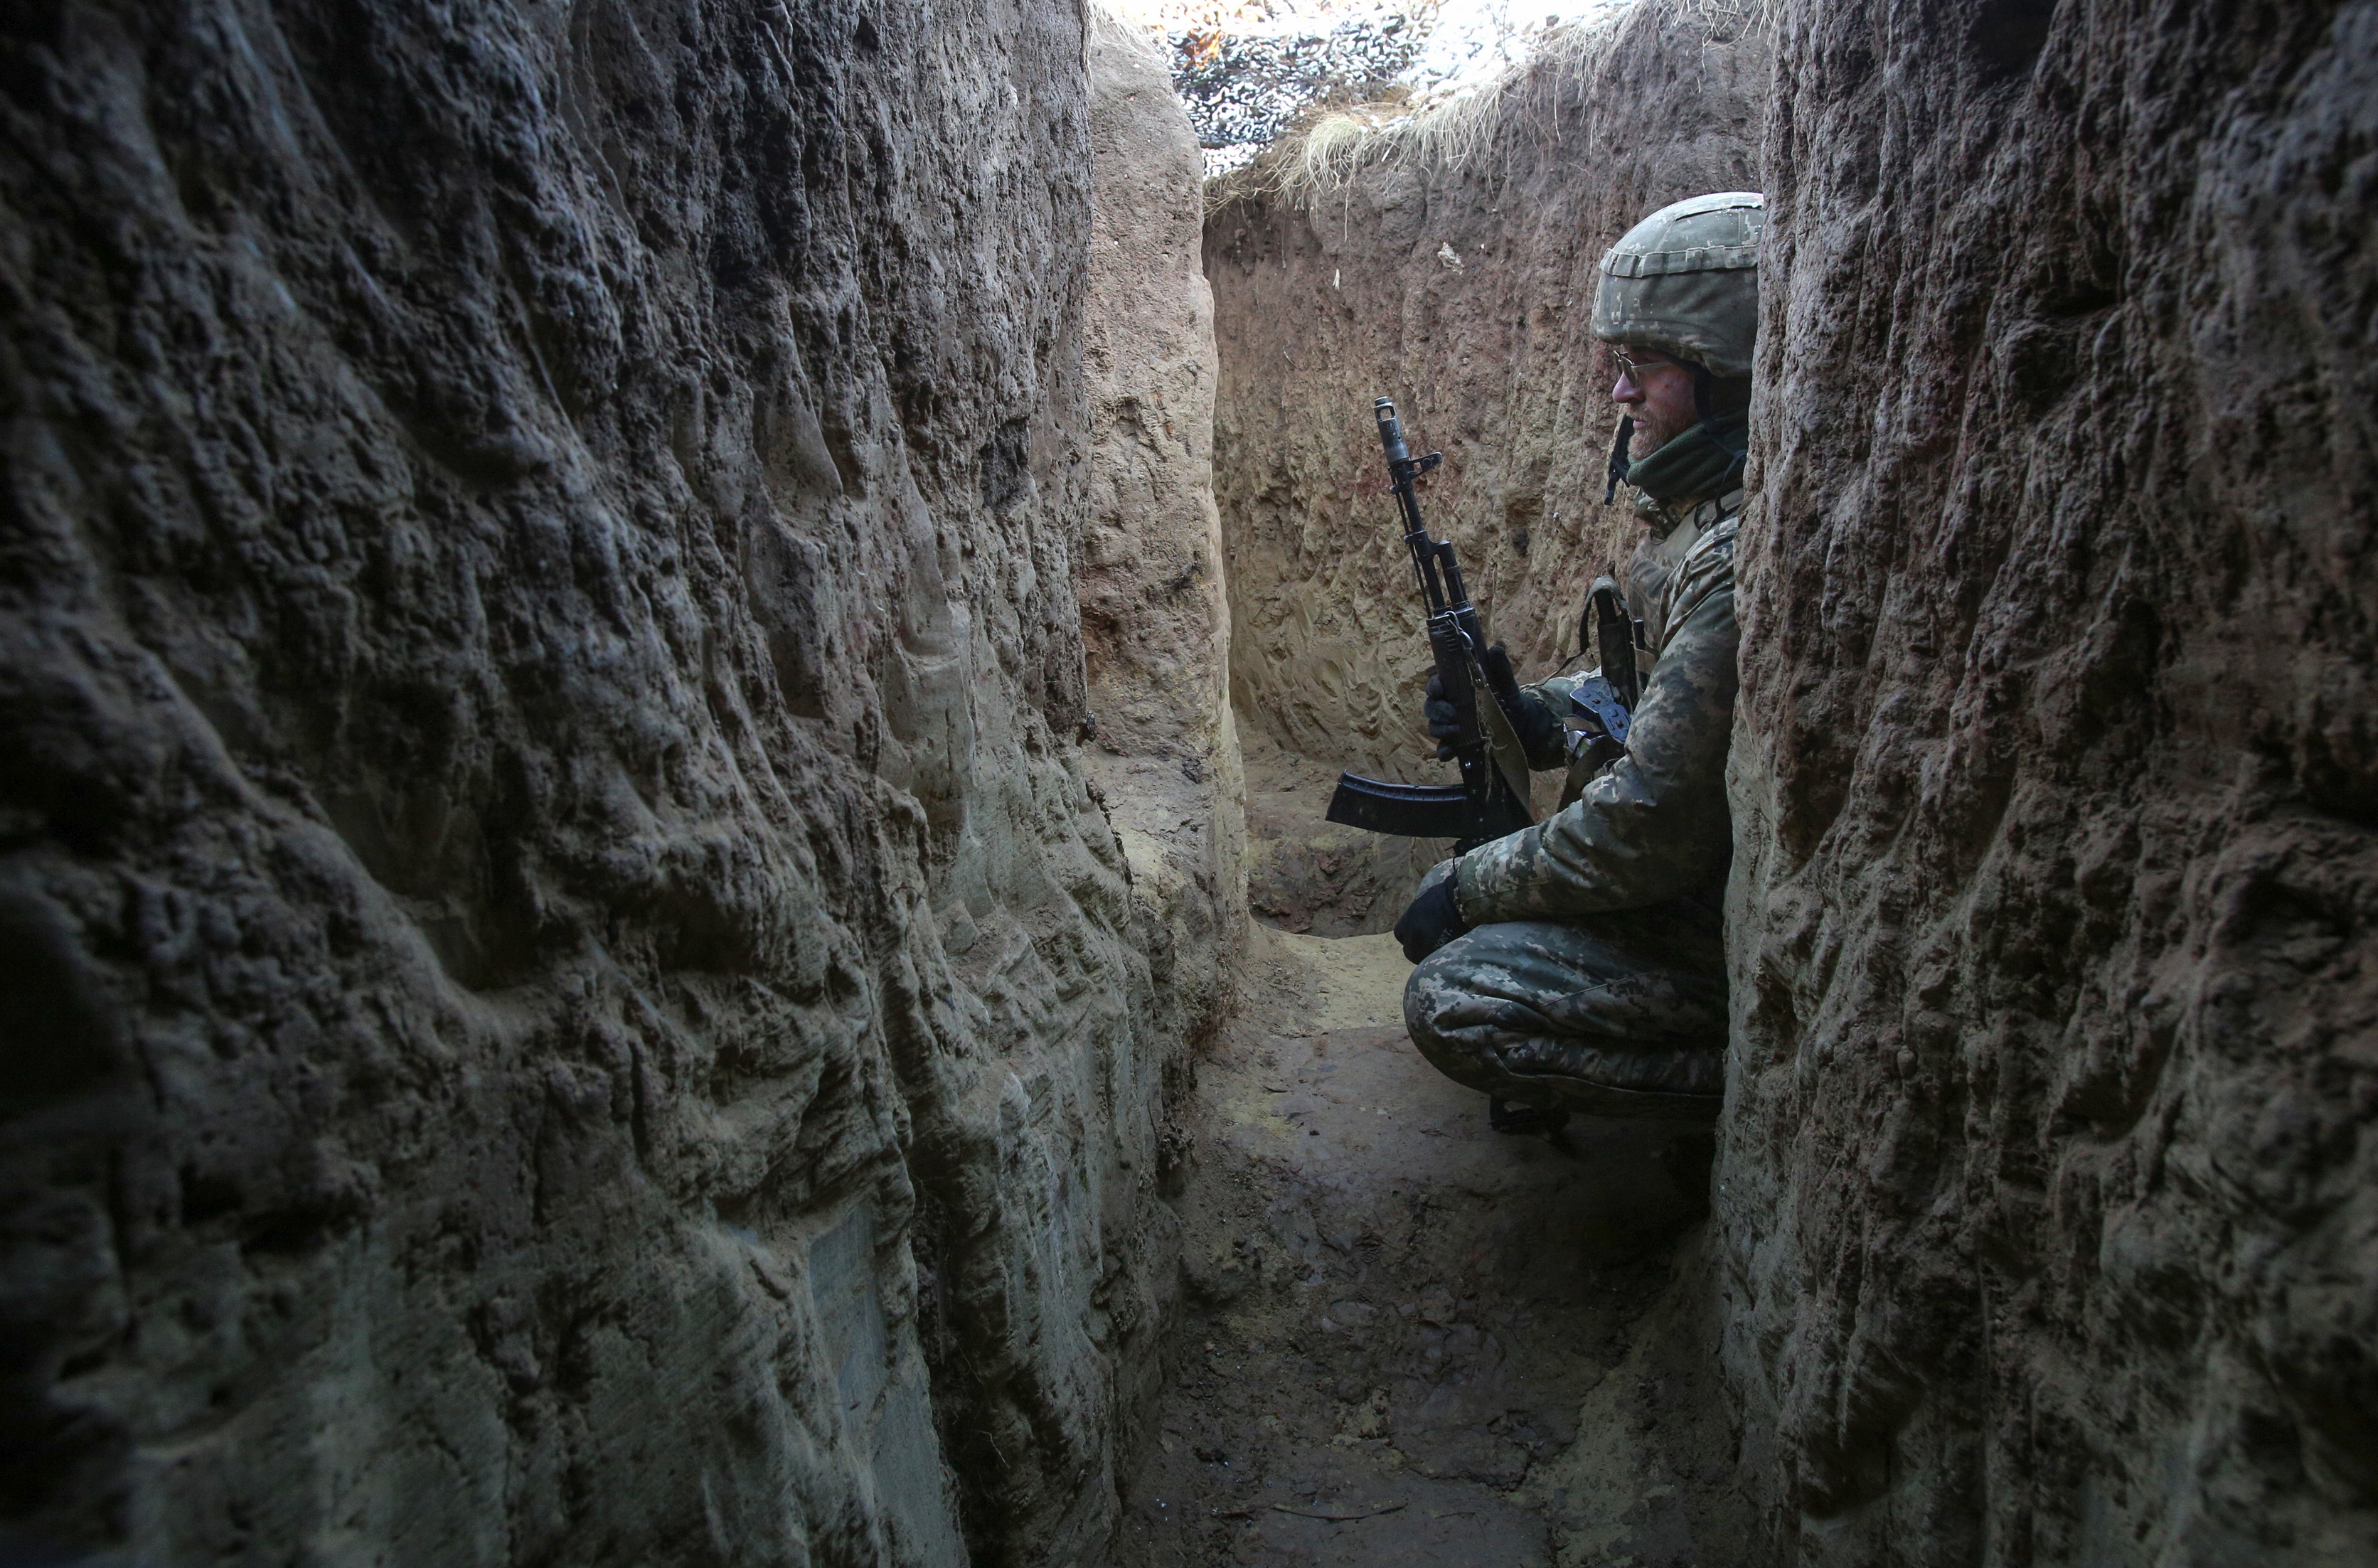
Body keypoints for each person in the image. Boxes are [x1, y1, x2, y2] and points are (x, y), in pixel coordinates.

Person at [1392, 191, 1763, 1132]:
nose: (1620, 394)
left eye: (1646, 370)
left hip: (1698, 923)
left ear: (1728, 379)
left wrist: (1472, 884)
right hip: (1675, 891)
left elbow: (1651, 826)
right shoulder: (1688, 525)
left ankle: (1735, 1091)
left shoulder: (1729, 562)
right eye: (1620, 367)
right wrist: (1535, 713)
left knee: (1456, 997)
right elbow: (1645, 710)